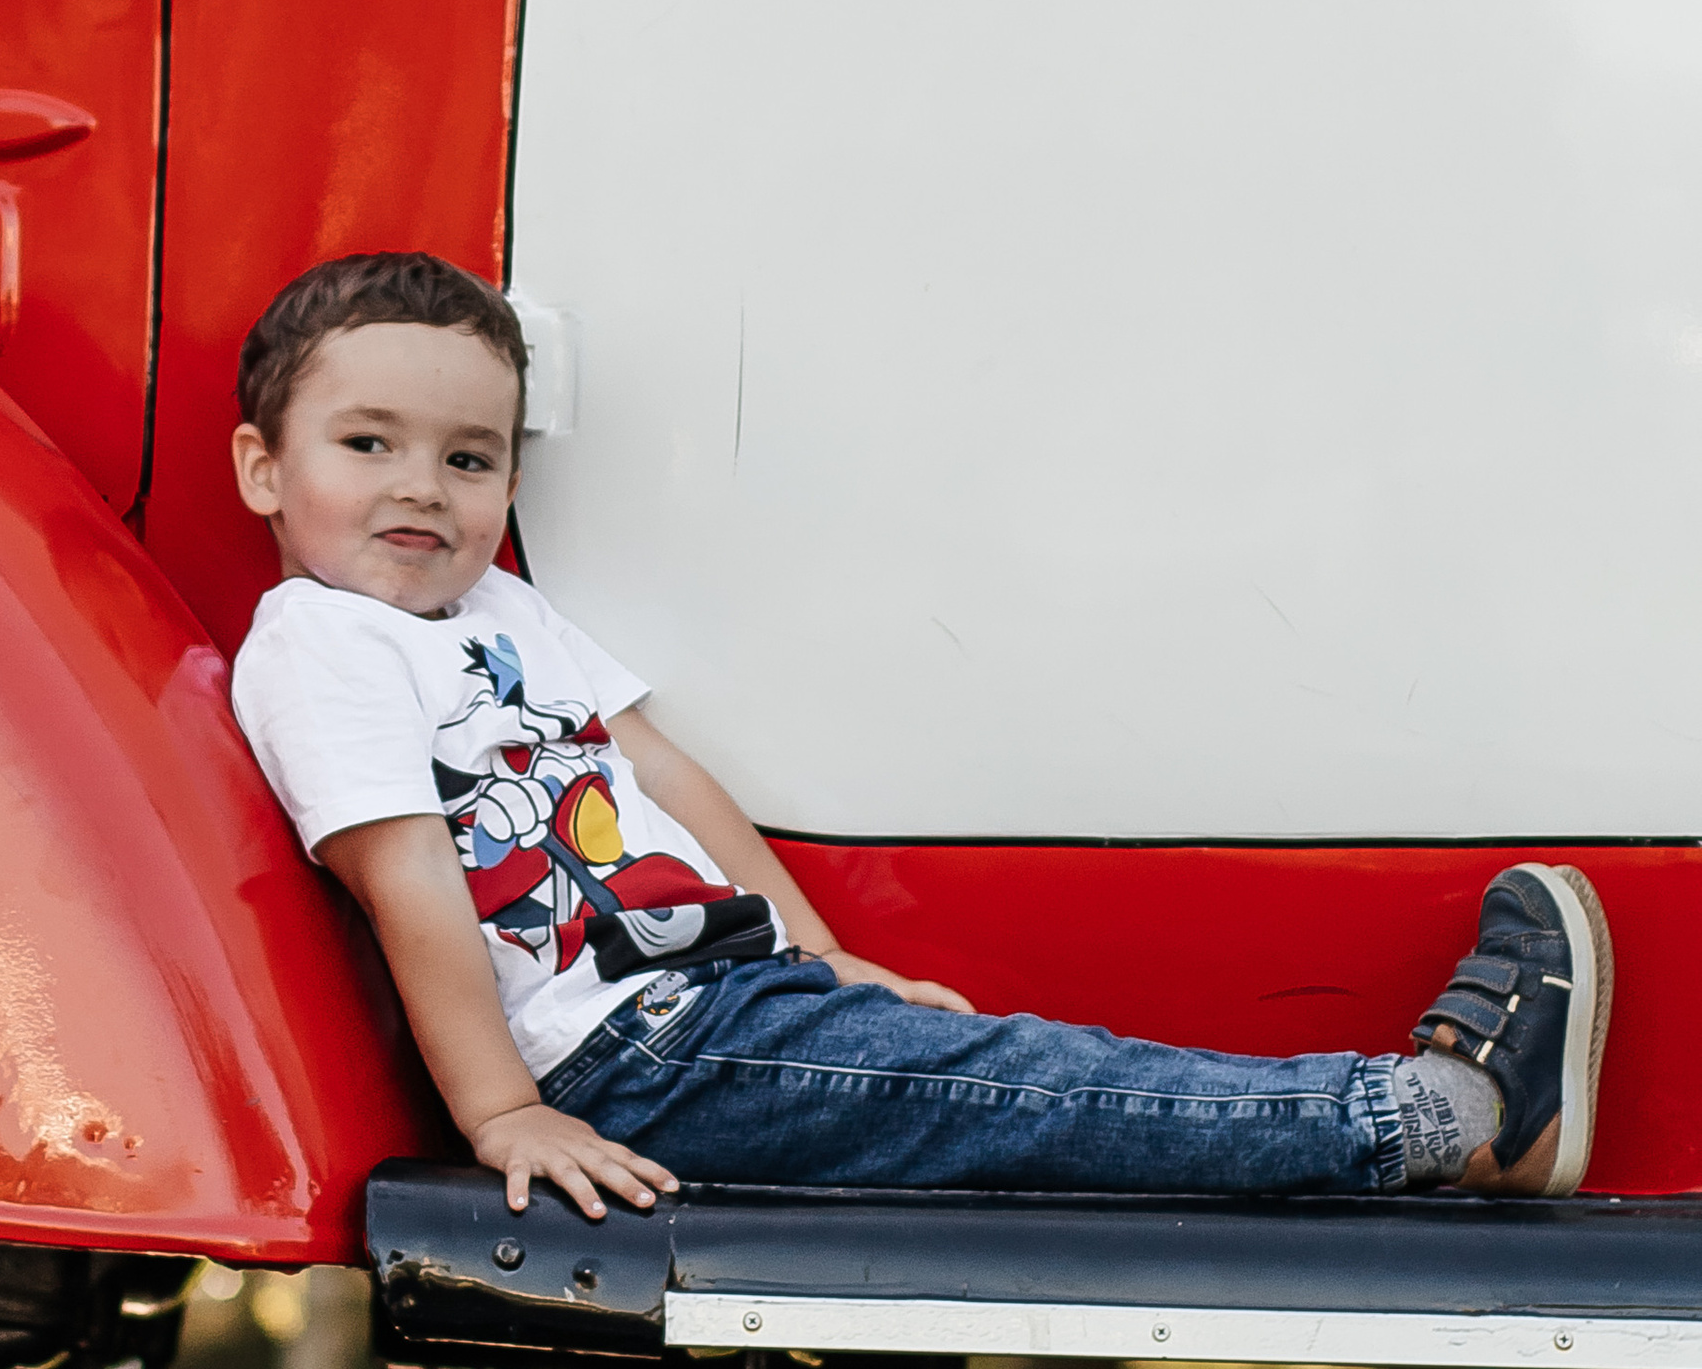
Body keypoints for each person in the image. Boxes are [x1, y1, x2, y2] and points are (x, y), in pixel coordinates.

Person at [226, 251, 1612, 1224]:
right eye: (369, 445)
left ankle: (1429, 1121)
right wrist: (501, 1113)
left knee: (1027, 1083)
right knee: (1041, 1097)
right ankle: (1438, 1122)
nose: (424, 487)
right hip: (629, 1056)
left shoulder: (500, 605)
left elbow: (660, 770)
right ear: (261, 467)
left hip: (725, 1007)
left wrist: (821, 953)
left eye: (468, 458)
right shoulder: (316, 645)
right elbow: (406, 879)